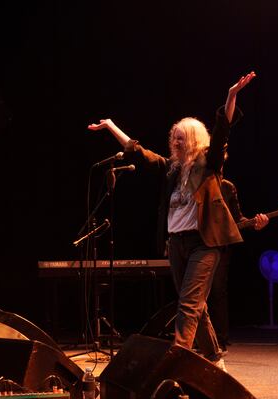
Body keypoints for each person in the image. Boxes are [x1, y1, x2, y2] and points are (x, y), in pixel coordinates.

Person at [88, 72, 256, 369]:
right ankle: (215, 359)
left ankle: (176, 362)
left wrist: (231, 96)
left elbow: (222, 131)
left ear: (193, 141)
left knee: (188, 306)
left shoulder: (209, 165)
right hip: (176, 244)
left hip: (203, 244)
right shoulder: (170, 170)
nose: (176, 141)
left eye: (182, 138)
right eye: (174, 137)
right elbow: (138, 151)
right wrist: (111, 126)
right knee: (195, 306)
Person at [208, 177, 268, 349]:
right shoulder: (194, 182)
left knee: (217, 292)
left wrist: (254, 223)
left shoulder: (227, 187)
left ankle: (220, 340)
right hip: (195, 245)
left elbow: (238, 219)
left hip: (220, 247)